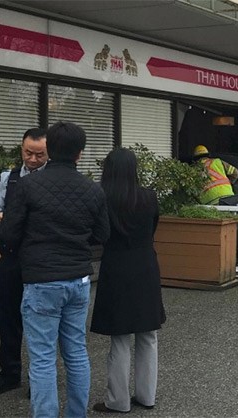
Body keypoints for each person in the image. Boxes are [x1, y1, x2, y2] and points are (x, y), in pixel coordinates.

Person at [0, 121, 110, 417]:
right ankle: (77, 413)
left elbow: (8, 235)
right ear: (79, 154)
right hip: (78, 280)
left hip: (40, 281)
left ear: (49, 151)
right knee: (76, 352)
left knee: (43, 357)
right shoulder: (93, 190)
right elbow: (102, 235)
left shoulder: (26, 186)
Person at [91, 148, 166, 412]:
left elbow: (97, 235)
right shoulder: (149, 197)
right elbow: (153, 227)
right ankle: (147, 396)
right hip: (145, 264)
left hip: (116, 267)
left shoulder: (102, 197)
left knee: (119, 337)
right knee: (148, 334)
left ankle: (118, 401)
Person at [0, 128, 48, 395]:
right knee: (7, 317)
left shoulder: (53, 179)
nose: (32, 159)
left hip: (40, 258)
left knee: (40, 322)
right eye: (28, 153)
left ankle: (38, 378)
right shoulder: (9, 178)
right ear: (21, 149)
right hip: (10, 257)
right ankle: (10, 373)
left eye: (39, 154)